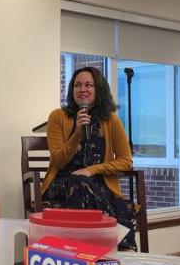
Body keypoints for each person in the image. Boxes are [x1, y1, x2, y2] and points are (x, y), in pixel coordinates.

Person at [42, 65, 138, 251]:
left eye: (88, 85)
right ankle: (117, 244)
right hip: (63, 184)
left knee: (105, 197)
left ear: (98, 89)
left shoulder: (111, 119)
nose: (82, 89)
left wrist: (92, 170)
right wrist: (77, 133)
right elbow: (57, 160)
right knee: (81, 184)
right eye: (77, 85)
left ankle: (90, 252)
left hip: (99, 185)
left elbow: (126, 161)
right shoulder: (57, 117)